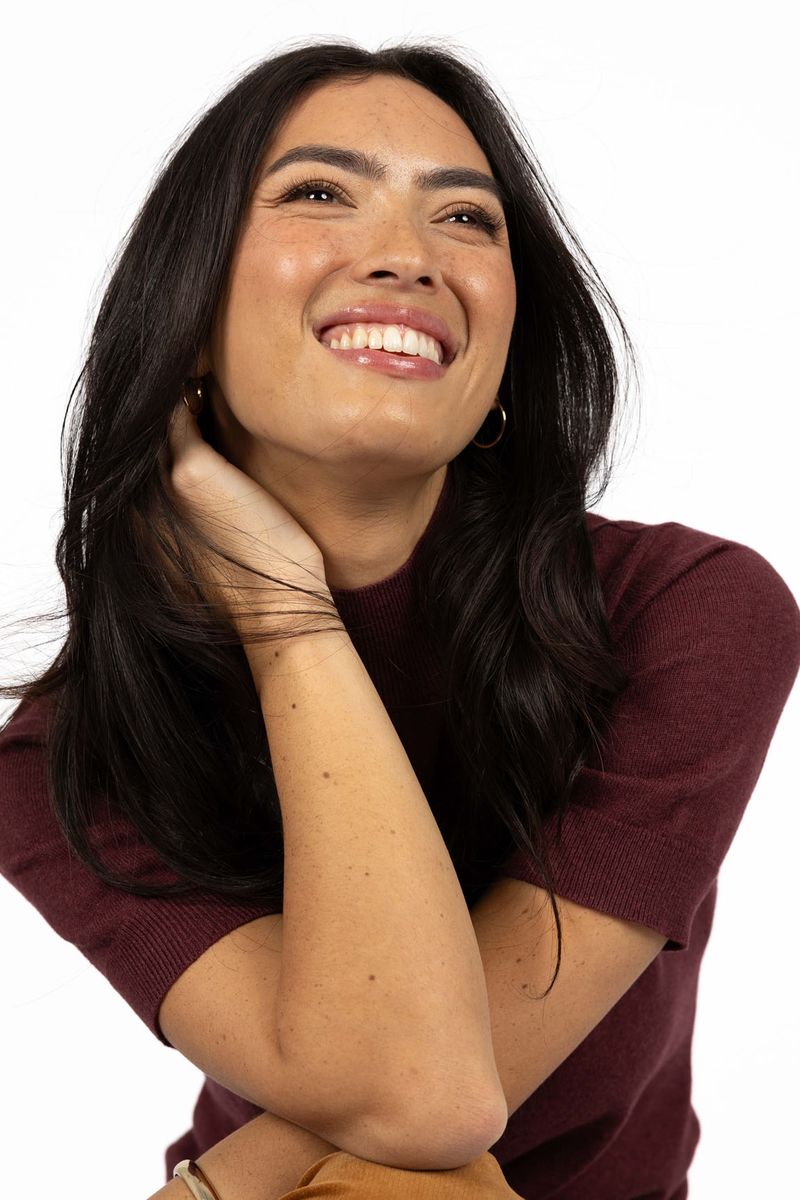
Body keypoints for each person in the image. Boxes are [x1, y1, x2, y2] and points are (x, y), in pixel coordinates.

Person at [0, 38, 798, 1200]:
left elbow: (427, 1095)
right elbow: (411, 1092)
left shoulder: (688, 611)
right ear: (188, 311)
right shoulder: (62, 755)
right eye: (318, 193)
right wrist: (286, 616)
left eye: (466, 219)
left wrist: (217, 1188)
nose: (407, 257)